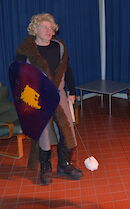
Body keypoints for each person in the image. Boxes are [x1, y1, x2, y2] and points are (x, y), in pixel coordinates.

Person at [15, 13, 83, 185]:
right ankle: (45, 167)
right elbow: (19, 76)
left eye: (51, 27)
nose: (48, 30)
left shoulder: (59, 47)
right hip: (37, 97)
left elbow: (67, 70)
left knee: (67, 129)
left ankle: (64, 164)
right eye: (44, 27)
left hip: (59, 93)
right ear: (35, 29)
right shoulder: (26, 49)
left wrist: (72, 91)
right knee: (43, 132)